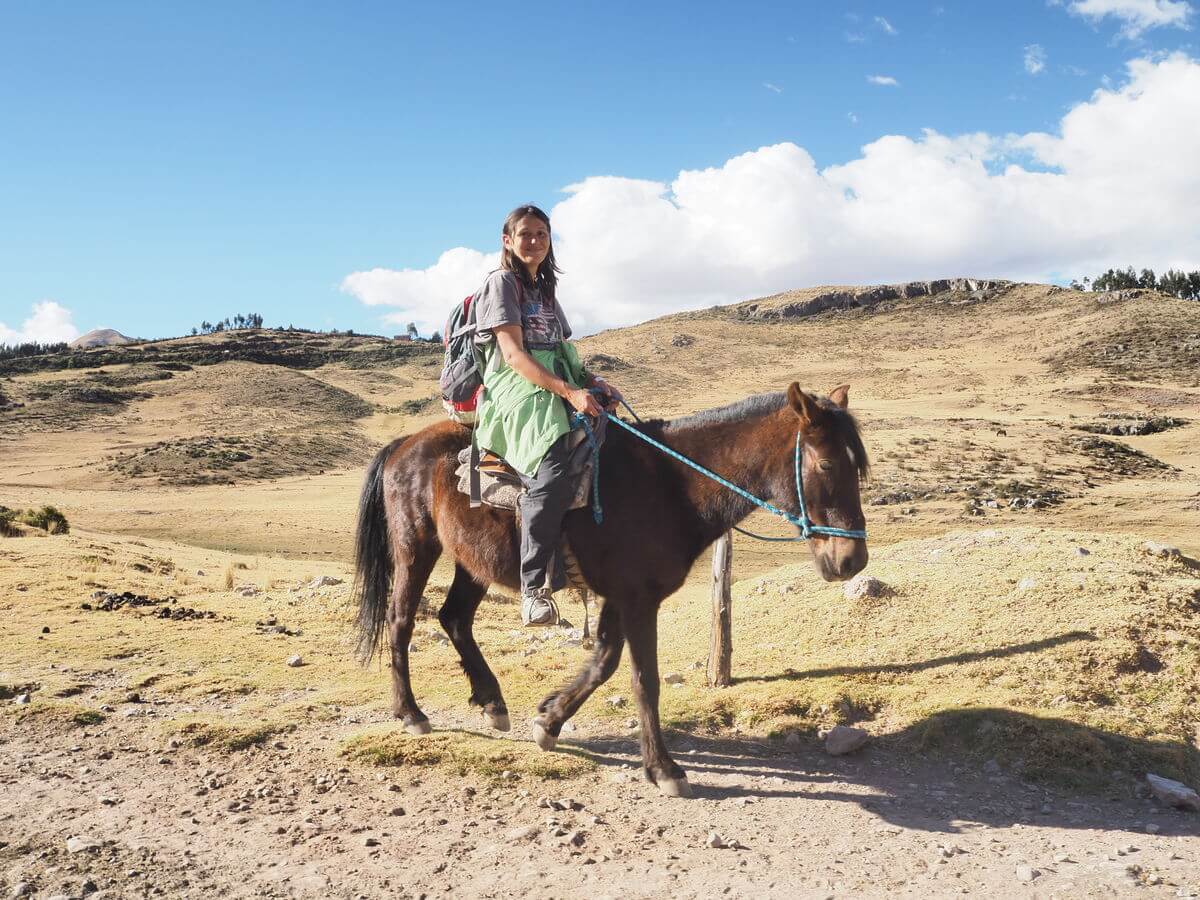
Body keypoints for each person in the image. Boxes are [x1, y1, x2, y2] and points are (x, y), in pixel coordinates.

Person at [471, 205, 622, 626]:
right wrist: (570, 393)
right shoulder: (501, 284)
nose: (534, 241)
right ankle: (534, 588)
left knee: (619, 438)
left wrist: (593, 382)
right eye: (525, 234)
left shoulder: (546, 289)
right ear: (507, 240)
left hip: (554, 377)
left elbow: (561, 352)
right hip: (515, 387)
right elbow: (515, 356)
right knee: (552, 464)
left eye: (542, 234)